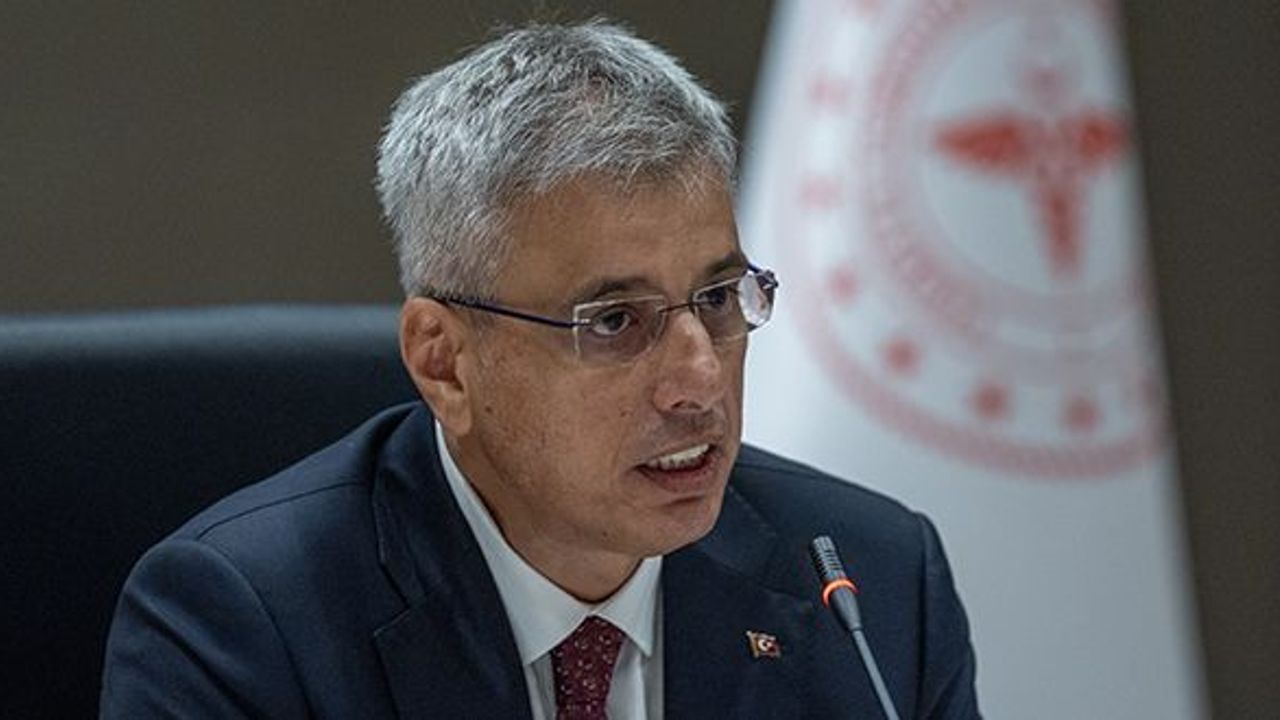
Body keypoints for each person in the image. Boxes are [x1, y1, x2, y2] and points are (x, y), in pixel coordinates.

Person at [101, 20, 979, 719]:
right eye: (614, 321)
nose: (700, 381)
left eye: (718, 299)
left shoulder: (871, 587)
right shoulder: (246, 626)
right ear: (444, 364)